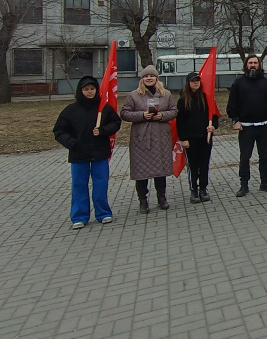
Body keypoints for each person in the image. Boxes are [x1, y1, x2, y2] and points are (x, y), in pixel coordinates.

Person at [53, 75, 121, 229]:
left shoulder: (103, 108)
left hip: (100, 153)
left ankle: (103, 213)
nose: (90, 92)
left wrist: (103, 130)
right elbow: (59, 130)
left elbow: (116, 123)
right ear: (80, 91)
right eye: (86, 89)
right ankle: (80, 216)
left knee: (101, 183)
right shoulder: (71, 110)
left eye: (92, 89)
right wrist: (71, 143)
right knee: (79, 184)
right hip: (79, 154)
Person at [120, 65, 178, 214]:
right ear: (142, 79)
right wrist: (141, 115)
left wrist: (162, 115)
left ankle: (161, 197)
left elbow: (174, 111)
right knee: (141, 171)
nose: (149, 78)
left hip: (161, 137)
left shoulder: (166, 94)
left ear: (157, 78)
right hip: (141, 138)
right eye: (146, 76)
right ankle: (143, 200)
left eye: (152, 76)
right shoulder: (133, 95)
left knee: (160, 170)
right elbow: (125, 113)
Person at [227, 54, 267, 197]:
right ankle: (244, 185)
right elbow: (232, 105)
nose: (253, 65)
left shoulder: (266, 83)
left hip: (263, 127)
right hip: (245, 127)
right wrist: (235, 121)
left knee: (265, 156)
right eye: (250, 63)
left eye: (255, 63)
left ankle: (264, 183)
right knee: (245, 158)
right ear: (246, 65)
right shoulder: (238, 83)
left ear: (259, 65)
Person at [176, 72, 219, 204]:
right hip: (190, 139)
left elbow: (215, 116)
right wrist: (183, 139)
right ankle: (194, 189)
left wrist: (213, 127)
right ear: (188, 83)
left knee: (204, 164)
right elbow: (180, 121)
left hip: (205, 138)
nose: (196, 83)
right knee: (193, 165)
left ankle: (203, 189)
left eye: (198, 81)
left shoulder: (207, 98)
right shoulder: (183, 100)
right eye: (193, 81)